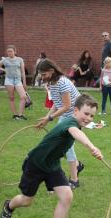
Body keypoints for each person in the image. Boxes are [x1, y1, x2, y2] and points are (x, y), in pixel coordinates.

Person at [0, 94, 103, 218]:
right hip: (35, 164)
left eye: (92, 116)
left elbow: (78, 132)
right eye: (86, 113)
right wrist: (92, 147)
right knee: (27, 201)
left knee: (67, 196)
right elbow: (76, 133)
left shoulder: (76, 124)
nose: (88, 118)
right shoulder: (71, 123)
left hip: (52, 165)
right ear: (75, 111)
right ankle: (8, 207)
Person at [35, 59, 84, 189]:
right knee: (62, 145)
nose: (42, 77)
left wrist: (49, 118)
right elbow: (57, 104)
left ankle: (74, 180)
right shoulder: (52, 83)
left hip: (76, 117)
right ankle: (77, 165)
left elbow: (67, 106)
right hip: (66, 116)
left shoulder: (62, 83)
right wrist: (46, 117)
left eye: (44, 74)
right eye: (41, 75)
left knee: (67, 146)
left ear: (51, 71)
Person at [0, 45, 28, 120]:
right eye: (8, 51)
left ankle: (20, 115)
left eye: (11, 51)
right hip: (9, 80)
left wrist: (24, 82)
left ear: (15, 52)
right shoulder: (5, 60)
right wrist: (4, 70)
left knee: (23, 97)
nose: (9, 53)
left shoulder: (20, 59)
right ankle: (15, 115)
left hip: (18, 80)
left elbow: (23, 71)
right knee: (11, 97)